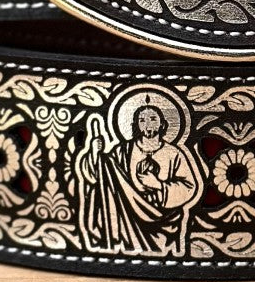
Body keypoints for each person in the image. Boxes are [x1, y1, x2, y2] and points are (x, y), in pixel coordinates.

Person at [77, 97, 202, 256]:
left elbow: (189, 187)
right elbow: (104, 175)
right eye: (142, 120)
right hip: (128, 216)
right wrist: (95, 154)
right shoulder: (123, 151)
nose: (148, 124)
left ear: (162, 124)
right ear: (136, 125)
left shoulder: (174, 154)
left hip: (164, 219)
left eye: (153, 119)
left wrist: (159, 185)